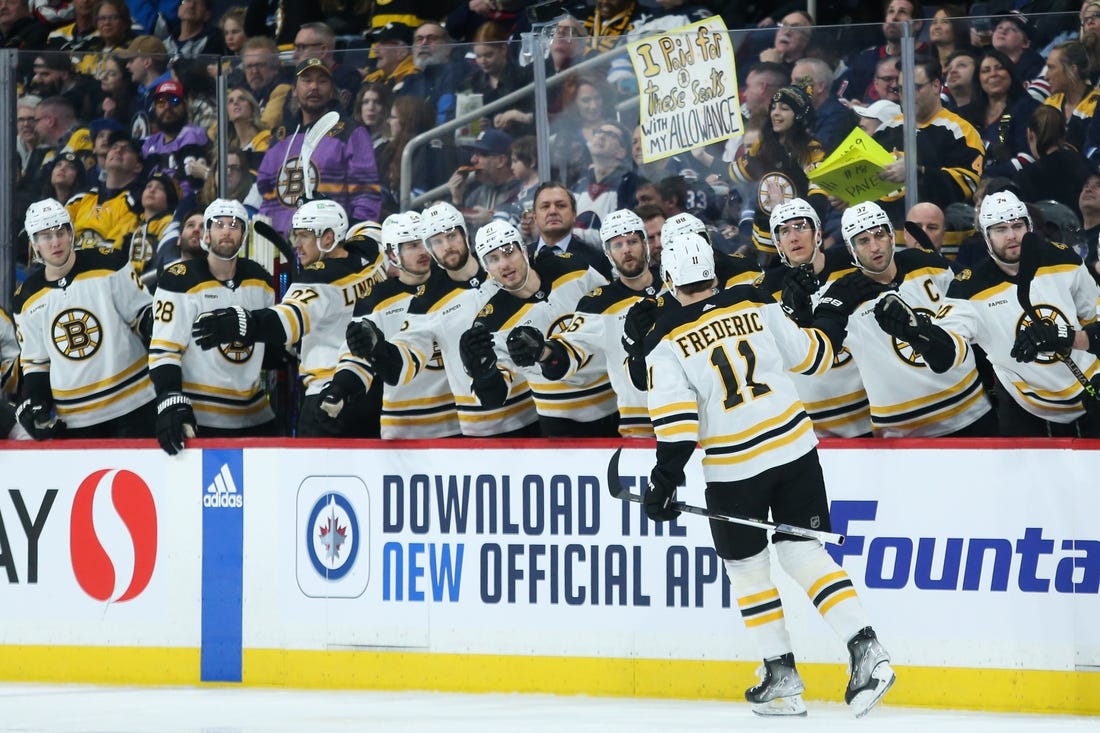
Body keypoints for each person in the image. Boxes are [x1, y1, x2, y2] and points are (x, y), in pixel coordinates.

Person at [642, 228, 894, 719]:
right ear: (713, 272)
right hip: (797, 449)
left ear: (670, 278)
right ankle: (866, 649)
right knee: (803, 552)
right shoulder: (756, 300)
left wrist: (662, 483)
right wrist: (831, 314)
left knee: (748, 569)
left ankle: (781, 675)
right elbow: (814, 357)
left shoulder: (663, 339)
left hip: (736, 471)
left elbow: (676, 428)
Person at [874, 190, 1100, 437]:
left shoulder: (1064, 259)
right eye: (1000, 229)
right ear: (985, 235)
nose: (1012, 235)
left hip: (1091, 391)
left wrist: (1070, 339)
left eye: (1017, 225)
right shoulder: (968, 289)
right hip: (1028, 409)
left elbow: (1095, 318)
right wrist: (919, 333)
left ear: (1029, 226)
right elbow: (949, 347)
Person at [190, 200, 385, 438]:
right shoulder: (372, 250)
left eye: (304, 236)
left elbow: (284, 321)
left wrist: (241, 323)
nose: (297, 245)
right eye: (295, 236)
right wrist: (324, 205)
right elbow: (367, 228)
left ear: (328, 238)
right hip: (375, 392)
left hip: (328, 401)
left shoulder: (316, 279)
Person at [345, 201, 539, 437]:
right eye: (436, 241)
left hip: (537, 410)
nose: (447, 246)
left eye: (451, 235)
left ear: (465, 233)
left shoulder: (501, 268)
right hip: (484, 427)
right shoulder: (426, 301)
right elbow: (404, 362)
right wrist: (377, 349)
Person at [818, 201, 996, 437]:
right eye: (863, 241)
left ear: (892, 236)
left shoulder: (929, 265)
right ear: (851, 249)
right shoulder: (841, 296)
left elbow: (972, 316)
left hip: (970, 413)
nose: (874, 247)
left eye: (879, 235)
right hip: (901, 434)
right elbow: (816, 348)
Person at [13, 198, 156, 440]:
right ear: (35, 245)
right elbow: (36, 362)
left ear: (71, 233)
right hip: (75, 418)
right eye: (46, 236)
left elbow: (143, 316)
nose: (55, 242)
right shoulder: (26, 297)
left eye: (60, 232)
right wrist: (37, 401)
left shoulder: (109, 263)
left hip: (136, 403)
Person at [462, 219, 617, 437]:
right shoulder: (492, 322)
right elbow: (492, 399)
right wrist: (482, 374)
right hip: (560, 421)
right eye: (493, 259)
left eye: (508, 252)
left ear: (523, 250)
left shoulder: (572, 268)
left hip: (618, 401)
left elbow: (615, 310)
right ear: (487, 269)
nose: (504, 264)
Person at [510, 209, 658, 437]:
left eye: (632, 241)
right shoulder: (598, 304)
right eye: (617, 245)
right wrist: (543, 352)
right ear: (607, 254)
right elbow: (568, 351)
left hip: (692, 417)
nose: (626, 249)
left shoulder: (676, 287)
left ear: (645, 245)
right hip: (639, 428)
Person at [148, 198, 277, 454]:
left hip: (255, 416)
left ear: (244, 235)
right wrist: (170, 399)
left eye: (234, 225)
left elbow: (270, 342)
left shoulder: (260, 279)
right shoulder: (179, 281)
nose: (227, 230)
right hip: (201, 417)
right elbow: (164, 352)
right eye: (219, 224)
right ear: (206, 234)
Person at [322, 211, 460, 439]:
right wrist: (340, 388)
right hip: (403, 429)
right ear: (391, 253)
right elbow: (356, 355)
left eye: (425, 242)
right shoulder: (375, 299)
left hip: (459, 422)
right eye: (412, 246)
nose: (423, 251)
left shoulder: (454, 284)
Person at [757, 199, 872, 437]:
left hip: (870, 413)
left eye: (800, 227)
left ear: (818, 232)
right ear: (778, 242)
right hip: (808, 426)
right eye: (784, 231)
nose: (793, 237)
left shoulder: (852, 264)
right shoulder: (765, 292)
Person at [256, 57, 383, 237]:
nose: (314, 86)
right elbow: (267, 197)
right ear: (294, 89)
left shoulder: (351, 133)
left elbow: (367, 196)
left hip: (331, 247)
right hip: (283, 252)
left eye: (322, 81)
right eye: (307, 80)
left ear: (331, 89)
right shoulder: (281, 136)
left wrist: (357, 241)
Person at [877, 56, 985, 221]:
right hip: (885, 236)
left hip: (940, 237)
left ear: (936, 86)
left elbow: (967, 186)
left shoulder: (960, 131)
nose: (906, 95)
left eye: (915, 88)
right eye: (900, 89)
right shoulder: (887, 129)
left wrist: (918, 172)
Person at [729, 84, 828, 264]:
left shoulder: (811, 150)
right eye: (773, 107)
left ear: (799, 115)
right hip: (763, 243)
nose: (775, 113)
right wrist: (704, 158)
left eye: (784, 108)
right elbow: (736, 173)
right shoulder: (764, 145)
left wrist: (784, 210)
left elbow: (819, 201)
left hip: (797, 241)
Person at [527, 181, 613, 279]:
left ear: (574, 214)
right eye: (545, 206)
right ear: (535, 217)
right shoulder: (523, 258)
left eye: (561, 205)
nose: (553, 211)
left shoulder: (596, 260)